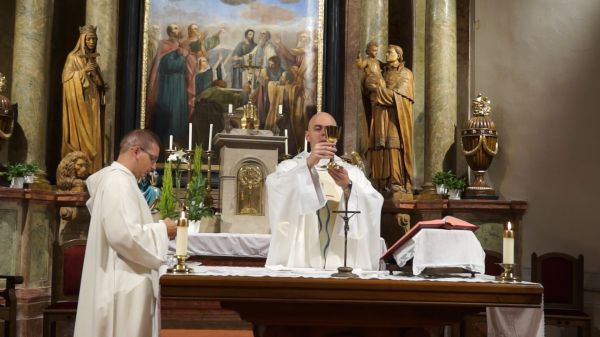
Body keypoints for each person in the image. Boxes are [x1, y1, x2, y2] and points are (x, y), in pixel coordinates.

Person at [73, 129, 177, 337]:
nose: (153, 166)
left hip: (123, 278)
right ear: (136, 151)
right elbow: (125, 236)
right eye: (153, 159)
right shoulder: (118, 183)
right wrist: (162, 229)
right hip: (122, 285)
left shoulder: (120, 181)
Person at [265, 112, 383, 270]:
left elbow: (374, 201)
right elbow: (275, 187)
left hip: (341, 257)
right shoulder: (291, 167)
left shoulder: (352, 172)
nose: (323, 134)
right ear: (308, 136)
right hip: (302, 256)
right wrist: (308, 165)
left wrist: (348, 187)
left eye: (329, 129)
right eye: (318, 128)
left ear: (337, 135)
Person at [366, 44, 414, 196]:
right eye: (385, 52)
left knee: (393, 145)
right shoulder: (382, 73)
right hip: (380, 114)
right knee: (380, 146)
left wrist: (377, 91)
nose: (386, 54)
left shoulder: (406, 74)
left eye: (389, 52)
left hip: (395, 116)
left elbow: (398, 96)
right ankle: (381, 182)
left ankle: (396, 182)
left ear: (399, 55)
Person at [61, 25, 107, 173]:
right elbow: (66, 78)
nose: (92, 41)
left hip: (92, 101)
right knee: (81, 133)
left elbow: (99, 83)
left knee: (93, 132)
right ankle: (79, 166)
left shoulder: (93, 61)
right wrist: (83, 72)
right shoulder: (72, 57)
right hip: (79, 102)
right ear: (82, 40)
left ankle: (93, 168)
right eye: (89, 39)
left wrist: (100, 83)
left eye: (94, 39)